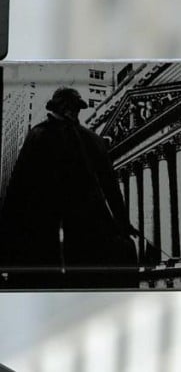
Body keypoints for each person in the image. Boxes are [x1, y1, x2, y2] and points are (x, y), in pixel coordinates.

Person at [0, 87, 139, 288]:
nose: (73, 111)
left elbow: (17, 189)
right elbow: (111, 188)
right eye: (72, 107)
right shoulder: (92, 140)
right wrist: (123, 223)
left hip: (51, 229)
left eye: (73, 107)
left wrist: (7, 233)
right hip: (81, 229)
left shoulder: (39, 134)